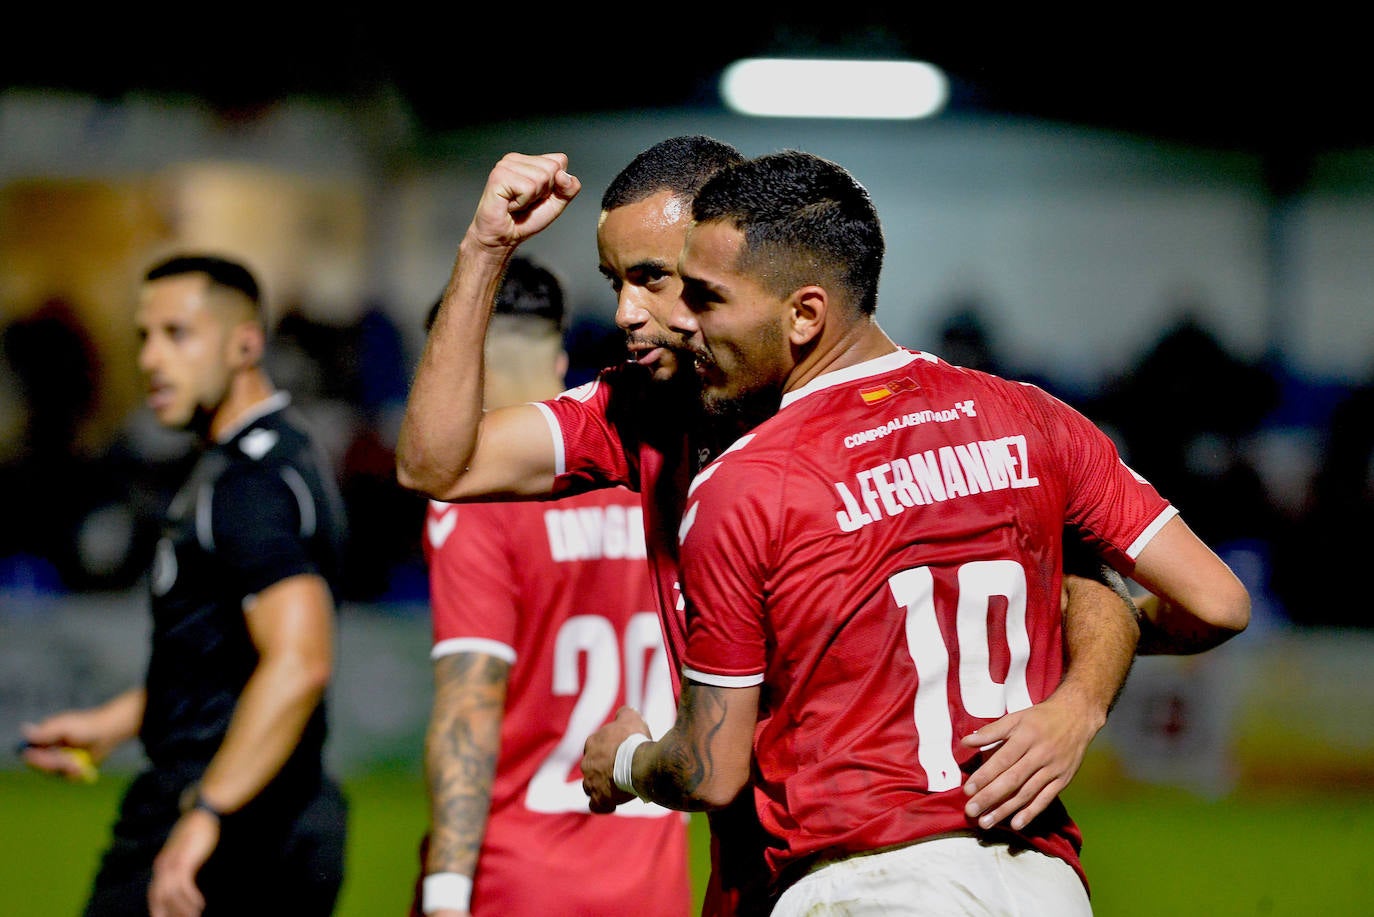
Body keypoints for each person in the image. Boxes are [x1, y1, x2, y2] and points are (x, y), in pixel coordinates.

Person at [396, 139, 1144, 915]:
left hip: (886, 862)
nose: (625, 311)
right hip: (763, 874)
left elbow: (1093, 575)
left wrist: (1078, 705)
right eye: (613, 283)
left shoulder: (899, 420)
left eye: (653, 277)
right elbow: (435, 466)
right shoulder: (644, 411)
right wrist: (486, 247)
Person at [580, 150, 1251, 914]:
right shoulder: (1029, 416)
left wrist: (627, 760)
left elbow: (711, 768)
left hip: (867, 882)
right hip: (1040, 883)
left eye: (707, 298)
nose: (683, 324)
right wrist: (1077, 703)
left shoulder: (744, 482)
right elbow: (1217, 601)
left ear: (805, 314)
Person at [21, 254, 349, 917]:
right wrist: (111, 723)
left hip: (229, 826)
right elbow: (228, 659)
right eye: (144, 335)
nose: (150, 358)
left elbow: (298, 661)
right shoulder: (257, 459)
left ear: (245, 343)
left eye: (177, 334)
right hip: (261, 813)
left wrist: (207, 811)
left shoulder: (250, 484)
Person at [408, 256, 691, 917]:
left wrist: (447, 894)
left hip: (519, 882)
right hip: (654, 884)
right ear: (559, 359)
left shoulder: (473, 500)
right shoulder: (658, 470)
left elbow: (468, 704)